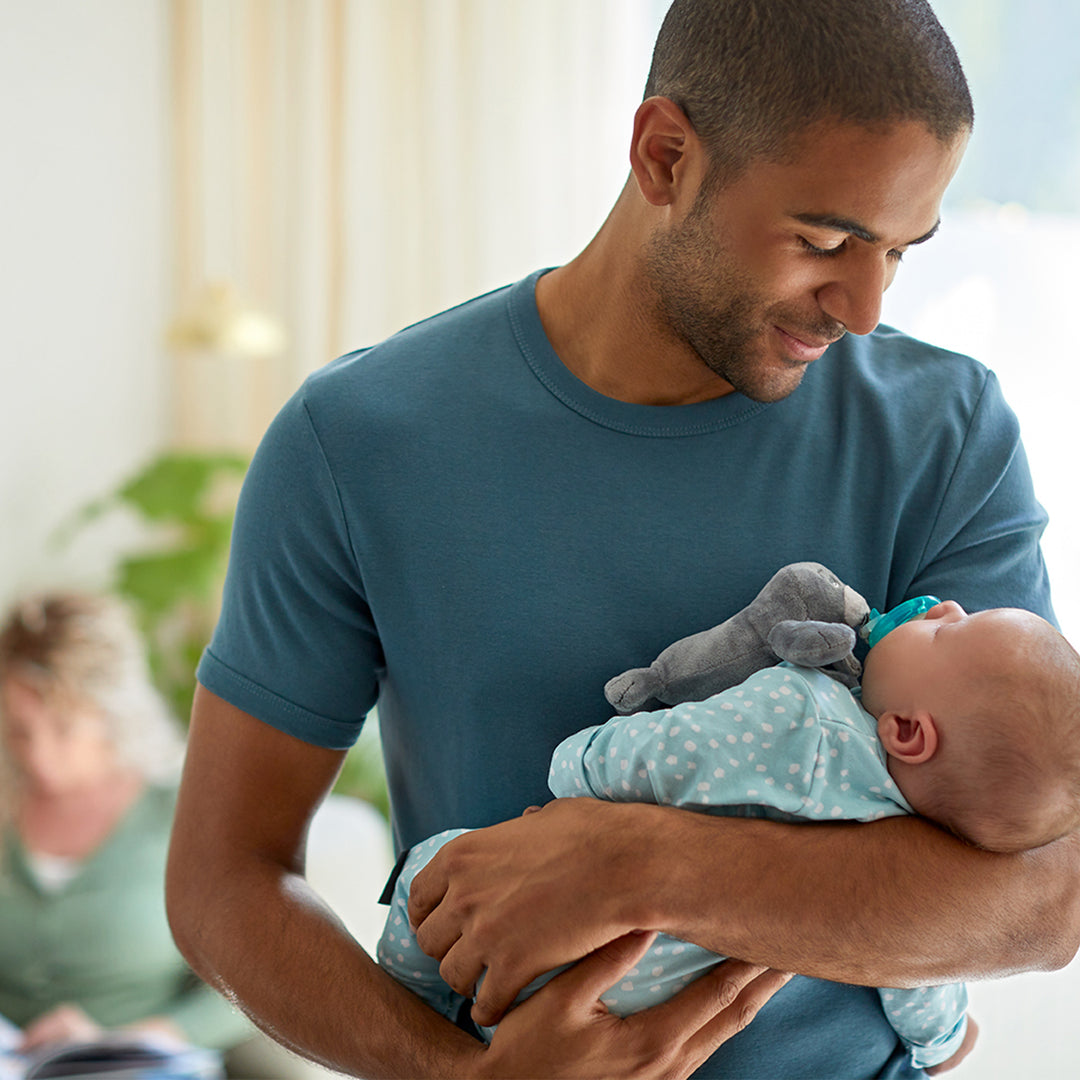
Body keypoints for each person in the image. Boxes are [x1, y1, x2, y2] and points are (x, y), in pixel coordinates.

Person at [166, 2, 1080, 1078]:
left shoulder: (946, 429)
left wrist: (645, 863)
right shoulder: (358, 439)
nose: (866, 306)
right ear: (665, 157)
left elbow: (1048, 893)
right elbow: (224, 879)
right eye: (826, 240)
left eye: (900, 249)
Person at [380, 599, 1080, 1071]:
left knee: (432, 869)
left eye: (949, 632)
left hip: (533, 942)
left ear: (906, 731)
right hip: (635, 1016)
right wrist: (944, 1042)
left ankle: (418, 991)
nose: (948, 605)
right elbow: (920, 977)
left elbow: (658, 755)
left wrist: (581, 765)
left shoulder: (802, 714)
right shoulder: (926, 859)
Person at [0, 593, 250, 1060]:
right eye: (19, 730)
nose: (37, 755)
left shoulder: (187, 808)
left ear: (110, 714)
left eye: (63, 727)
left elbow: (264, 983)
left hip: (134, 1065)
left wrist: (129, 1040)